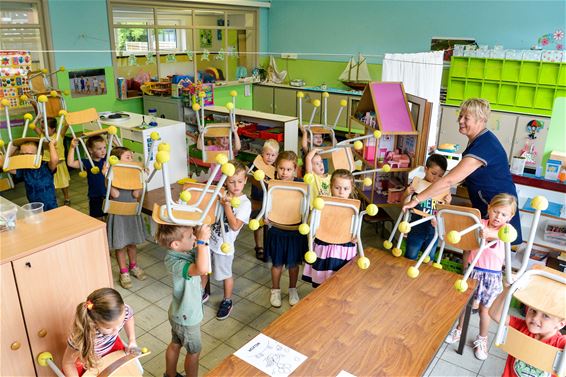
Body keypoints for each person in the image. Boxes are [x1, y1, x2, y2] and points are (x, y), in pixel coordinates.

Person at [402, 98, 522, 247]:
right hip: (486, 204)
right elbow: (460, 175)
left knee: (489, 255)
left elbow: (449, 180)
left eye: (466, 118)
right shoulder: (478, 140)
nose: (460, 121)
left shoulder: (484, 145)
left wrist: (417, 199)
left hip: (499, 208)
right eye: (460, 116)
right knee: (472, 247)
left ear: (481, 120)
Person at [445, 194, 517, 360]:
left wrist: (491, 233)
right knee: (466, 306)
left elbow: (504, 236)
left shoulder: (508, 231)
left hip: (492, 277)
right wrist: (440, 224)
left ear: (510, 217)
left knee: (486, 310)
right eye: (495, 211)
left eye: (504, 214)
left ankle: (482, 340)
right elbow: (463, 236)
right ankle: (459, 330)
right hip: (473, 271)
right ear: (489, 209)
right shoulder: (479, 224)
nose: (498, 217)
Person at [155, 223, 211, 377]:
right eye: (190, 236)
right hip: (187, 318)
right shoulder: (175, 262)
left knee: (176, 343)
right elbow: (201, 269)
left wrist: (201, 238)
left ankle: (170, 375)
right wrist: (201, 242)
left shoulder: (183, 251)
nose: (194, 237)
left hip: (179, 313)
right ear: (175, 244)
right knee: (194, 351)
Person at [202, 160, 251, 320]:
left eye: (239, 181)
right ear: (225, 181)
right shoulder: (221, 193)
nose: (236, 185)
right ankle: (202, 294)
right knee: (203, 269)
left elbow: (236, 226)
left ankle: (227, 300)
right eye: (231, 182)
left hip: (225, 246)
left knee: (225, 275)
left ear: (245, 181)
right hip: (210, 240)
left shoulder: (245, 203)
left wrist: (227, 206)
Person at [489, 285, 566, 377]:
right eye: (533, 310)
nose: (535, 318)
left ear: (561, 324)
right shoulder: (521, 326)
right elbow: (494, 314)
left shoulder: (561, 344)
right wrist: (507, 290)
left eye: (546, 316)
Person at [61, 288, 138, 376]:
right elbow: (68, 363)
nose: (116, 331)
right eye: (109, 327)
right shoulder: (80, 337)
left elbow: (129, 317)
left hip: (110, 348)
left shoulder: (122, 311)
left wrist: (132, 340)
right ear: (94, 323)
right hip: (86, 361)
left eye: (120, 324)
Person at [265, 151, 308, 307]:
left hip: (295, 229)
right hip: (276, 229)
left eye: (288, 169)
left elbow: (305, 207)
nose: (284, 172)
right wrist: (265, 215)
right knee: (277, 263)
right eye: (281, 168)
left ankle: (292, 289)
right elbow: (267, 204)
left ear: (295, 169)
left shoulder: (301, 185)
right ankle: (275, 290)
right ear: (277, 168)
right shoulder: (272, 185)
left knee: (293, 264)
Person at [302, 169, 357, 287]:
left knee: (341, 281)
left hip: (344, 249)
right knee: (321, 281)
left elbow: (356, 230)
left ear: (351, 189)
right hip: (325, 247)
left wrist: (355, 238)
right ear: (331, 187)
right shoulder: (322, 204)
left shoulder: (354, 207)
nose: (341, 192)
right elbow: (315, 226)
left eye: (346, 188)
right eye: (337, 188)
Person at [106, 147, 147, 289]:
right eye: (128, 157)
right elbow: (115, 195)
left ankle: (133, 266)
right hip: (118, 215)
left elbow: (136, 195)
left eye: (131, 157)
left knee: (131, 243)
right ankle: (124, 272)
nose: (132, 160)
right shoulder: (112, 175)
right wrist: (108, 177)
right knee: (120, 244)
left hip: (131, 213)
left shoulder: (134, 174)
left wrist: (142, 179)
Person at [401, 154, 451, 261]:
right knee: (410, 256)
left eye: (440, 176)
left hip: (433, 230)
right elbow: (404, 206)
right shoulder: (416, 184)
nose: (435, 178)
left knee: (429, 258)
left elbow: (444, 214)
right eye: (433, 173)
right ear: (425, 169)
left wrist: (447, 204)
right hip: (416, 227)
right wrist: (406, 194)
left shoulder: (443, 190)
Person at [250, 139, 279, 261]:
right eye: (267, 154)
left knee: (270, 223)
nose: (270, 158)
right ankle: (259, 246)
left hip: (271, 200)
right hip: (258, 199)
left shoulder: (276, 168)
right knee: (258, 223)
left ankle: (269, 246)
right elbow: (250, 174)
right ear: (262, 153)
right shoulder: (257, 164)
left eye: (273, 155)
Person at [67, 135, 108, 220]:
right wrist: (72, 147)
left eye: (104, 147)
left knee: (110, 218)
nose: (103, 151)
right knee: (97, 220)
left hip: (108, 195)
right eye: (99, 149)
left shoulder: (107, 159)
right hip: (95, 196)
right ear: (90, 150)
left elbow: (119, 154)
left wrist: (113, 140)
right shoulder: (87, 162)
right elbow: (70, 163)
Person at [12, 139, 59, 211]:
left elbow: (54, 160)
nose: (25, 157)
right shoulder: (24, 169)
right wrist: (12, 147)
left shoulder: (46, 166)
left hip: (50, 206)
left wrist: (51, 145)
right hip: (34, 208)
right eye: (22, 154)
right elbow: (5, 165)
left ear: (40, 154)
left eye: (29, 154)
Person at [37, 117, 71, 205]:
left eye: (45, 128)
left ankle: (67, 198)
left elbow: (67, 124)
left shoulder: (59, 134)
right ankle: (52, 198)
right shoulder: (42, 135)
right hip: (47, 165)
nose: (43, 130)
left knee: (64, 183)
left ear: (53, 129)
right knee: (50, 183)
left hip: (59, 164)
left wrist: (64, 115)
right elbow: (33, 125)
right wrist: (38, 117)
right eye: (42, 128)